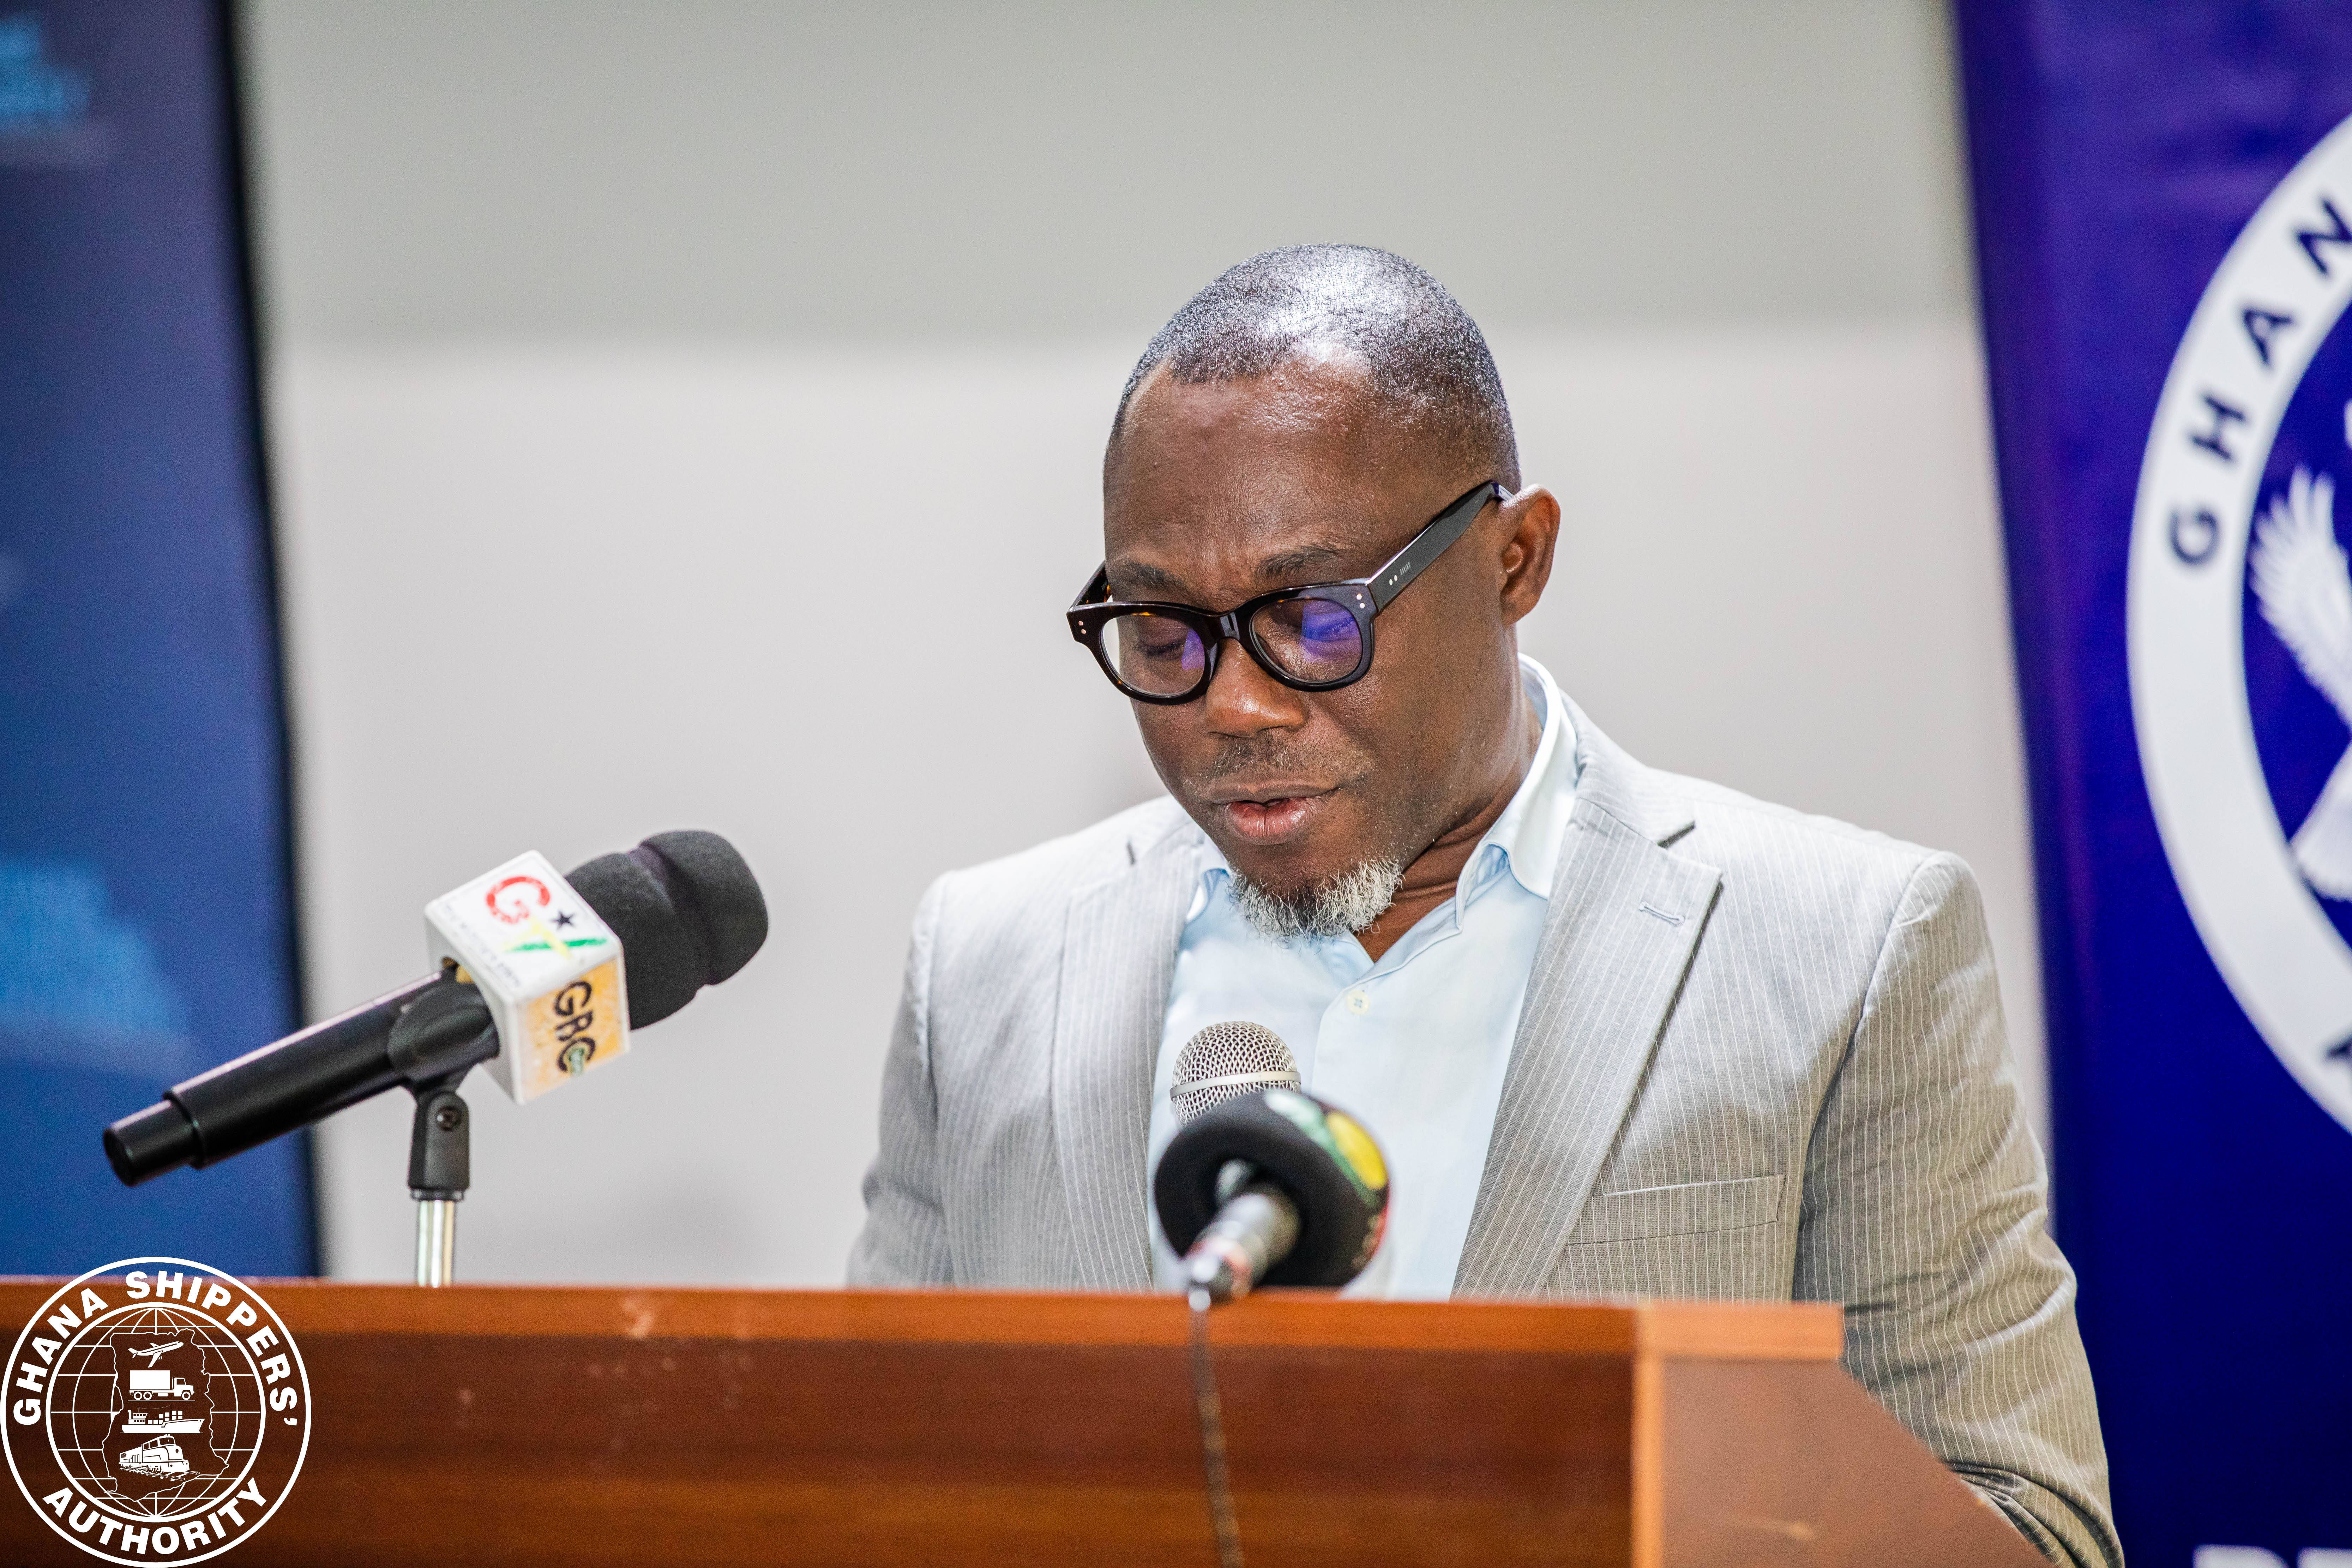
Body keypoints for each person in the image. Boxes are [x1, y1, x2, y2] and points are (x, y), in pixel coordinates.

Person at [848, 245, 2117, 1563]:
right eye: (1164, 636)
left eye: (1315, 620)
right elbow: (857, 1484)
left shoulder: (1849, 949)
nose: (1234, 705)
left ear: (1516, 559)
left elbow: (2035, 1530)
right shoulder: (985, 963)